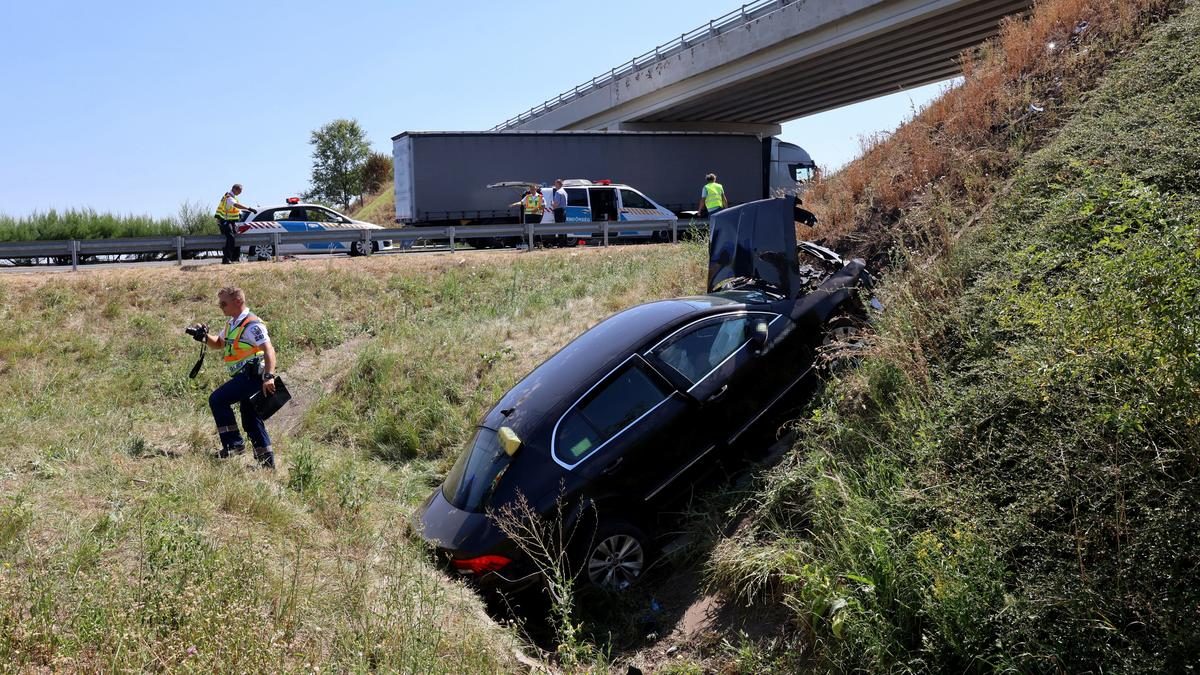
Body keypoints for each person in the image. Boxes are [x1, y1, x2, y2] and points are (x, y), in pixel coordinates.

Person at [191, 286, 278, 469]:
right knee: (251, 419)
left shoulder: (252, 324)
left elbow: (269, 349)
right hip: (245, 377)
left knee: (218, 399)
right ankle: (267, 464)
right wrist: (203, 337)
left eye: (224, 303)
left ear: (238, 302)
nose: (220, 306)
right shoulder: (232, 323)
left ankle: (233, 445)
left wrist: (269, 376)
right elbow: (219, 344)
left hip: (252, 377)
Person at [215, 184, 257, 264]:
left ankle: (235, 258)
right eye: (240, 191)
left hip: (230, 221)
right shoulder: (229, 197)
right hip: (225, 221)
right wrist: (249, 208)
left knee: (235, 237)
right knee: (230, 238)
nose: (240, 193)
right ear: (234, 189)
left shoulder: (233, 197)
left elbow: (235, 209)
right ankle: (226, 259)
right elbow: (236, 205)